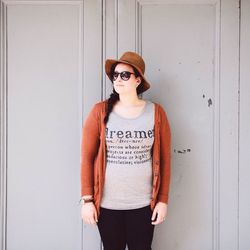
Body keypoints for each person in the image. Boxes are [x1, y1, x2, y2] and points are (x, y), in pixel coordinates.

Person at [80, 51, 171, 250]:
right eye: (115, 75)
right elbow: (87, 158)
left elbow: (164, 160)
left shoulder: (156, 113)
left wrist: (162, 200)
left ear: (138, 80)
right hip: (107, 205)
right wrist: (87, 199)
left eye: (125, 75)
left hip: (144, 205)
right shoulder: (100, 112)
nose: (118, 79)